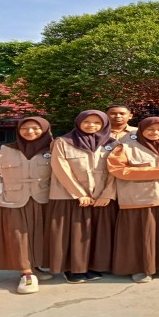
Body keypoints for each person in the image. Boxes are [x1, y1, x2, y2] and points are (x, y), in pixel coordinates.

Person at [107, 117, 159, 283]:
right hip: (139, 199)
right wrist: (156, 171)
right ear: (141, 130)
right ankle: (141, 269)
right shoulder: (126, 148)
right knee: (141, 235)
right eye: (150, 129)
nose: (155, 133)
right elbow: (117, 169)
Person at [48, 110, 118, 284]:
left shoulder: (112, 144)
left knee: (97, 233)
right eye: (87, 121)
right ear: (78, 122)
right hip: (69, 197)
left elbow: (115, 171)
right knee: (75, 234)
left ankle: (94, 266)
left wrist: (107, 194)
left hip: (101, 197)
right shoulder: (63, 142)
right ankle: (73, 269)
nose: (91, 125)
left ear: (104, 124)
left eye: (97, 122)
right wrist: (79, 194)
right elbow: (60, 168)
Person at [0, 117, 54, 294]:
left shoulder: (53, 148)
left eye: (35, 128)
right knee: (18, 235)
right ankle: (26, 273)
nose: (30, 131)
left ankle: (35, 266)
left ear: (45, 129)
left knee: (39, 234)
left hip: (44, 199)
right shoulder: (3, 150)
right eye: (24, 128)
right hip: (12, 200)